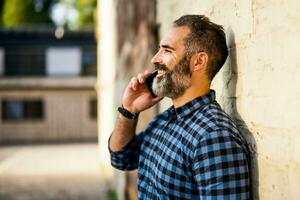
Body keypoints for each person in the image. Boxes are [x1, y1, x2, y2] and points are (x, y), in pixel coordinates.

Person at [109, 15, 250, 199]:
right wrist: (129, 109)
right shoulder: (162, 121)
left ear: (199, 61)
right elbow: (121, 158)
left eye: (167, 50)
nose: (155, 58)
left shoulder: (213, 136)